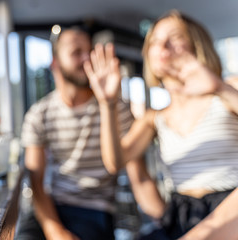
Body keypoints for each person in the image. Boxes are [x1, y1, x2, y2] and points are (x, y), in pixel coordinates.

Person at [84, 9, 238, 240]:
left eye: (174, 37)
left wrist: (219, 87)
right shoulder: (154, 118)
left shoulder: (227, 91)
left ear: (197, 45)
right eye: (154, 41)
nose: (163, 46)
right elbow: (115, 162)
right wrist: (108, 103)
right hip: (182, 215)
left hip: (231, 210)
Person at [15, 26, 134, 240]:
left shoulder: (117, 108)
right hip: (50, 208)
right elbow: (36, 181)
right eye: (75, 52)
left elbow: (134, 169)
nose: (86, 58)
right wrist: (55, 231)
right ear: (55, 62)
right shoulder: (39, 114)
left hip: (96, 210)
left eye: (89, 52)